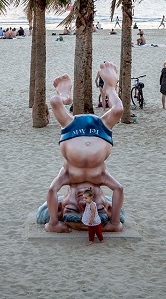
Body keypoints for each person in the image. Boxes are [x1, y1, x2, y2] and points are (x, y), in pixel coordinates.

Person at [46, 62, 124, 233]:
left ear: (62, 205)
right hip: (100, 131)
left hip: (72, 129)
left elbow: (52, 190)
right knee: (118, 110)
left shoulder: (68, 175)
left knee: (55, 101)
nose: (83, 202)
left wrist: (53, 223)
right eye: (100, 208)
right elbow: (118, 189)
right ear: (107, 205)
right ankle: (110, 85)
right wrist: (115, 222)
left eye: (73, 208)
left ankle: (65, 94)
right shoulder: (101, 176)